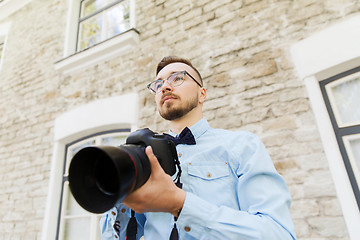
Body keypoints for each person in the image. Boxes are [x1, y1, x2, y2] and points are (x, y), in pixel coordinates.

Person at [100, 56, 297, 240]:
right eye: (158, 84)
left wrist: (181, 205)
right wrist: (118, 189)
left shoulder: (242, 146)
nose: (165, 86)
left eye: (177, 78)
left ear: (202, 93)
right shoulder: (146, 159)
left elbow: (278, 233)